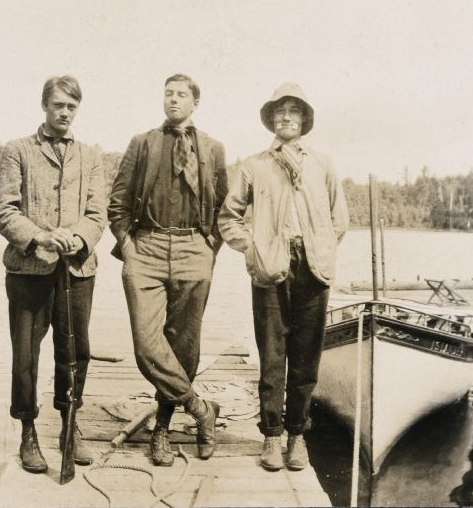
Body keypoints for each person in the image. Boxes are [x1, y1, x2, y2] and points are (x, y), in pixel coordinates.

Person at [218, 82, 349, 471]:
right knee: (273, 356)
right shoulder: (254, 166)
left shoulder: (322, 164)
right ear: (271, 120)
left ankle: (297, 437)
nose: (286, 117)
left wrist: (320, 247)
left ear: (304, 119)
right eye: (280, 111)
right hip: (271, 269)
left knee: (306, 359)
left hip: (313, 268)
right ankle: (272, 438)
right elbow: (229, 217)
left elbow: (339, 219)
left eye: (293, 111)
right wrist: (253, 247)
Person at [108, 73, 228, 466]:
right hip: (148, 247)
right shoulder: (143, 143)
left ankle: (161, 428)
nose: (173, 100)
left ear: (196, 102)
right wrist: (129, 246)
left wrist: (210, 247)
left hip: (195, 248)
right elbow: (118, 202)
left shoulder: (212, 148)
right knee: (147, 344)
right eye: (168, 94)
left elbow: (226, 209)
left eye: (181, 95)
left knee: (185, 345)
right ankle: (199, 408)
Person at [0, 75, 106, 473]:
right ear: (45, 105)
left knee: (75, 353)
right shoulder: (18, 151)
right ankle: (28, 432)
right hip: (28, 270)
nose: (64, 112)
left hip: (77, 270)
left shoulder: (91, 156)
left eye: (71, 106)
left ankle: (69, 426)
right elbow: (5, 212)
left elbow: (98, 214)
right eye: (58, 104)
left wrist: (78, 238)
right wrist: (40, 236)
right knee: (25, 355)